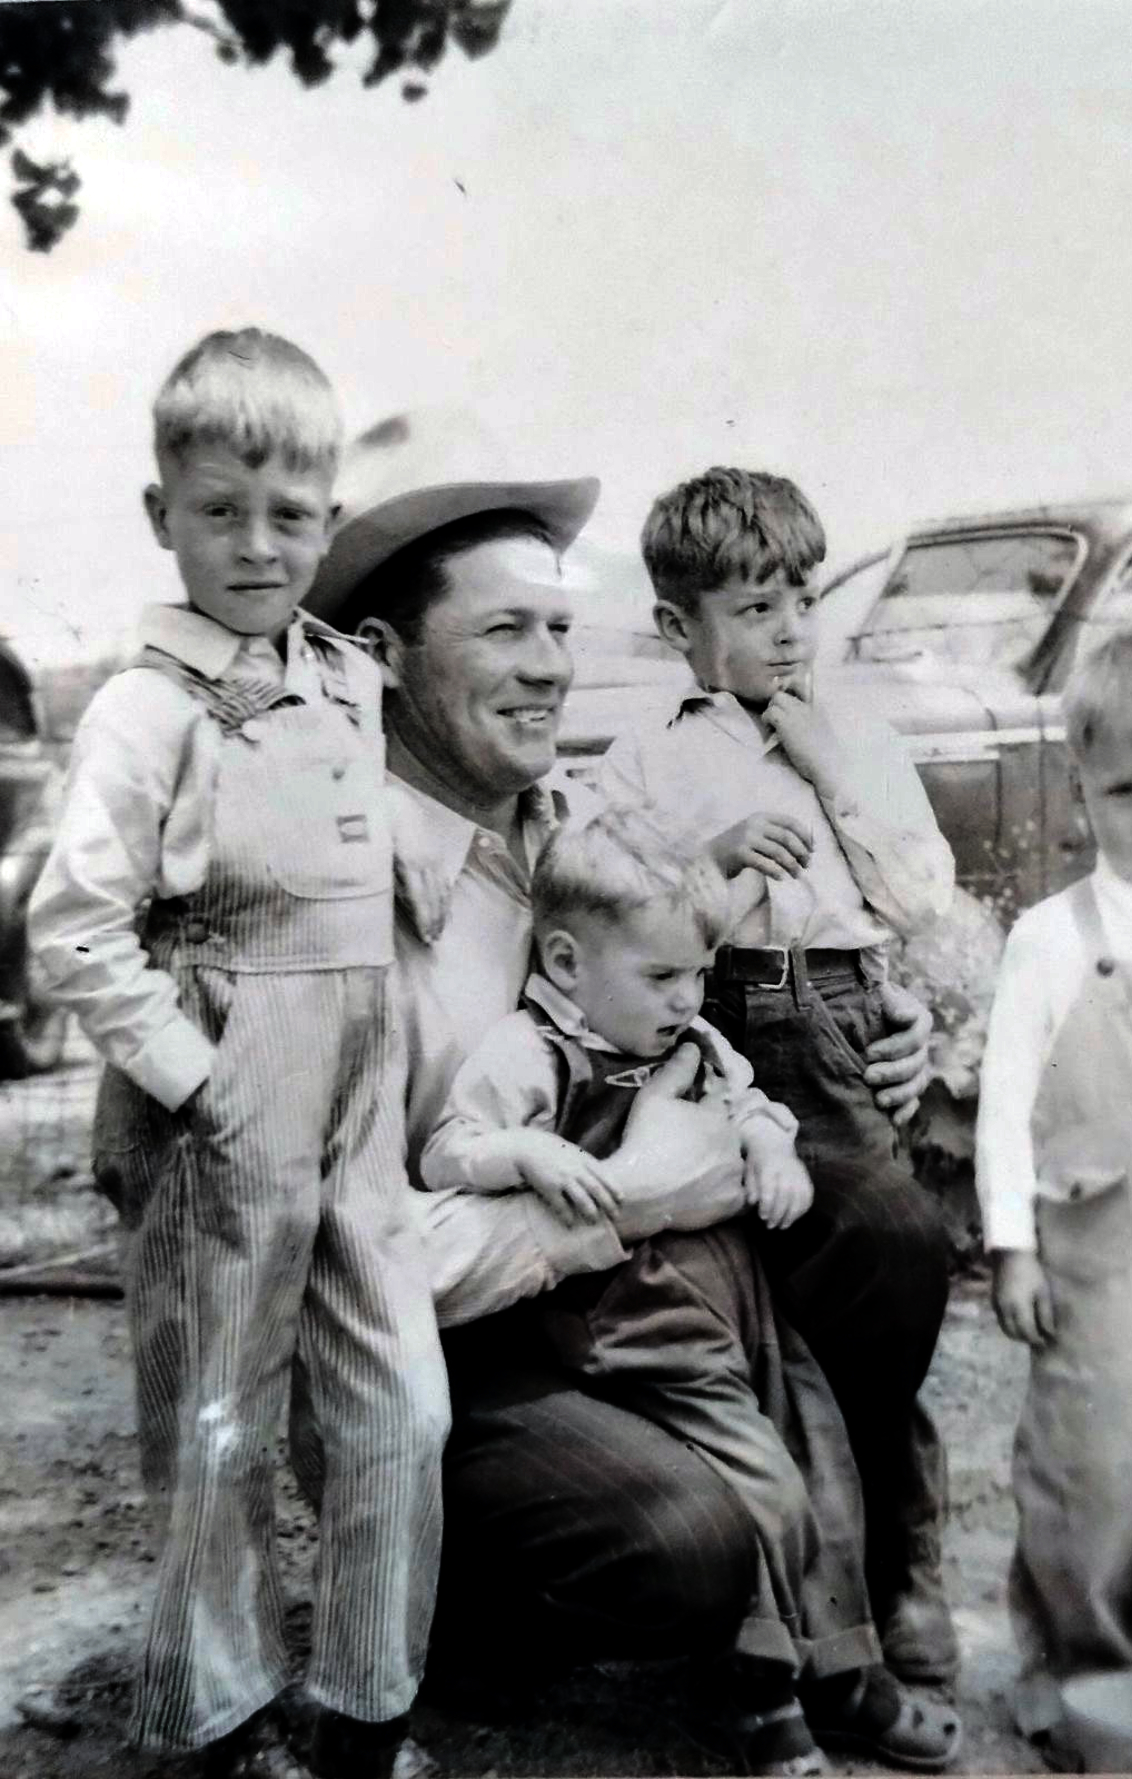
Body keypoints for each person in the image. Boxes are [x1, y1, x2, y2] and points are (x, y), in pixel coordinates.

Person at [301, 410, 940, 1722]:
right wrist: (638, 1197)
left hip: (643, 1303)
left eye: (555, 628)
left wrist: (895, 1024)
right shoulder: (326, 910)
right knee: (683, 1539)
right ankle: (474, 1613)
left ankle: (861, 1589)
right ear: (376, 658)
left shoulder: (586, 826)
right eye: (503, 631)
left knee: (885, 1228)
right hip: (468, 1356)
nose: (548, 667)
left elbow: (732, 960)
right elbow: (360, 1267)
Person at [27, 334, 449, 1779]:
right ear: (165, 517)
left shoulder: (348, 685)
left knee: (401, 1399)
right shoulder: (149, 707)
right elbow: (75, 926)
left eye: (289, 516)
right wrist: (201, 1080)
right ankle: (219, 1716)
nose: (258, 545)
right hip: (227, 1095)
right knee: (218, 1420)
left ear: (327, 521)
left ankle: (365, 1699)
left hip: (358, 1096)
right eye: (222, 511)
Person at [422, 802, 960, 1774]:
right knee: (757, 1470)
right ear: (567, 962)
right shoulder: (530, 1053)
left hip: (733, 1294)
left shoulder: (692, 1044)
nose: (688, 997)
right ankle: (762, 1691)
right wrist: (524, 1152)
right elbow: (448, 1150)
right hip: (636, 1312)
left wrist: (768, 1143)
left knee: (818, 1443)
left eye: (700, 971)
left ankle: (842, 1665)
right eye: (663, 975)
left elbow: (750, 1100)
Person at [595, 466, 959, 1682]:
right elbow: (620, 923)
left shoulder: (850, 728)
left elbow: (920, 897)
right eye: (754, 609)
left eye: (800, 597)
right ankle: (820, 1599)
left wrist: (830, 767)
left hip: (845, 1021)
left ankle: (912, 1559)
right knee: (780, 1319)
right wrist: (710, 858)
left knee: (894, 1255)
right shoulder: (646, 757)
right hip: (721, 1030)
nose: (791, 627)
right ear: (676, 629)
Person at [977, 621, 1132, 1754]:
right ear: (1081, 790)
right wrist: (1010, 1244)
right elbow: (1007, 1102)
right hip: (1104, 1234)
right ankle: (1076, 1666)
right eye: (1125, 790)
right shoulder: (1053, 938)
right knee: (1097, 1451)